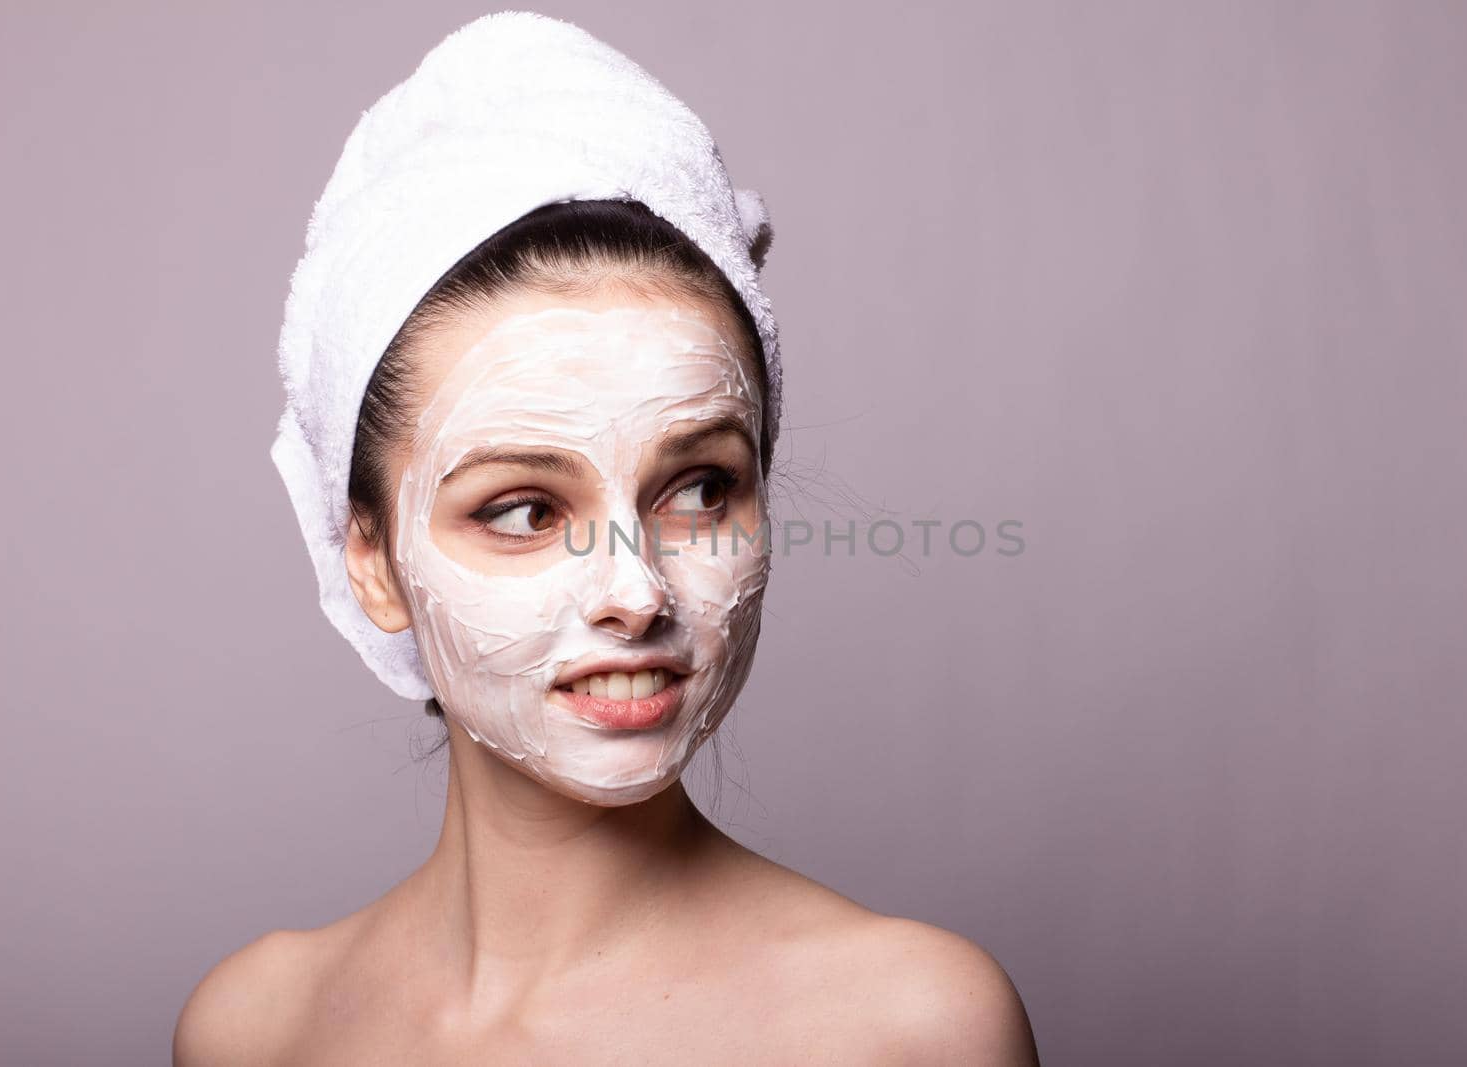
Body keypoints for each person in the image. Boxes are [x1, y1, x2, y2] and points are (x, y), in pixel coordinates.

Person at [174, 13, 1038, 1065]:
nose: (636, 590)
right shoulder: (256, 1028)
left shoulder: (912, 1026)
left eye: (699, 488)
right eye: (525, 510)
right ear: (370, 560)